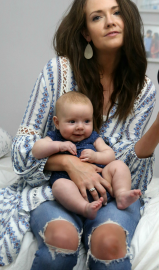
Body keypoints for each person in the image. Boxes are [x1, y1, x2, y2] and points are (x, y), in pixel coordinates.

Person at [0, 0, 159, 269]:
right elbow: (22, 151)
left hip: (109, 191)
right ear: (86, 33)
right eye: (97, 17)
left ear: (126, 20)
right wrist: (70, 165)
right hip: (56, 188)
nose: (109, 21)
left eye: (116, 12)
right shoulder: (58, 71)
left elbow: (132, 173)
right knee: (61, 237)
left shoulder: (142, 88)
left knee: (108, 243)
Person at [32, 91, 142, 220]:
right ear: (57, 123)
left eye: (86, 121)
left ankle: (121, 195)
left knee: (119, 165)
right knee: (59, 186)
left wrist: (96, 157)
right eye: (72, 121)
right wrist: (58, 146)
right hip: (72, 188)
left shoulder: (93, 137)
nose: (80, 127)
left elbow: (110, 155)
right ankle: (84, 208)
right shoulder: (54, 137)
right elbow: (36, 151)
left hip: (102, 181)